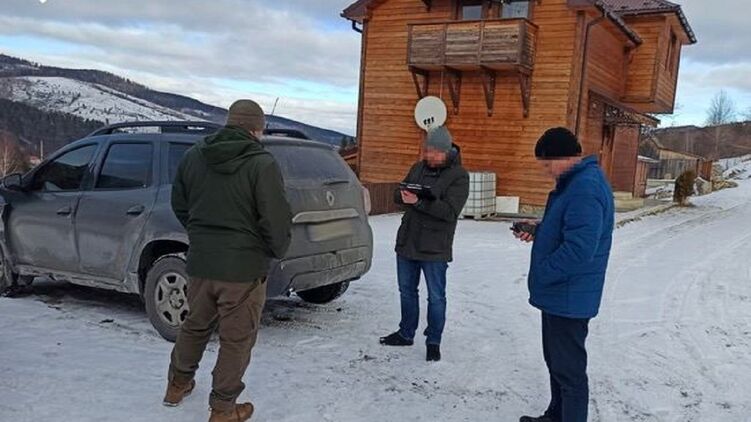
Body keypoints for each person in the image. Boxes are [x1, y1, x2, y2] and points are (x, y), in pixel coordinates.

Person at [163, 99, 292, 422]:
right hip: (242, 268)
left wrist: (201, 235)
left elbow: (180, 203)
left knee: (195, 325)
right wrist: (276, 249)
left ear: (230, 122)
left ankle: (176, 385)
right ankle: (222, 409)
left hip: (201, 261)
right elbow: (274, 218)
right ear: (256, 128)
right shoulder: (262, 163)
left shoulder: (194, 155)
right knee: (236, 339)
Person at [515, 127, 615, 422]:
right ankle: (555, 416)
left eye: (548, 164)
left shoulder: (585, 188)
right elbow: (570, 230)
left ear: (567, 157)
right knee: (557, 364)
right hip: (561, 293)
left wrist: (543, 272)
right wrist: (541, 230)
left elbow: (580, 249)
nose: (546, 171)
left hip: (569, 295)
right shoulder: (575, 183)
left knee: (569, 372)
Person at [379, 125, 470, 362]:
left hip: (435, 247)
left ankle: (433, 342)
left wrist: (419, 202)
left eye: (434, 152)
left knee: (436, 297)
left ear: (446, 151)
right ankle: (406, 333)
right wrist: (404, 196)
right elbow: (398, 194)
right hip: (408, 241)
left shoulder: (459, 176)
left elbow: (449, 212)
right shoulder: (417, 168)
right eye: (427, 151)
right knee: (407, 291)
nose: (429, 156)